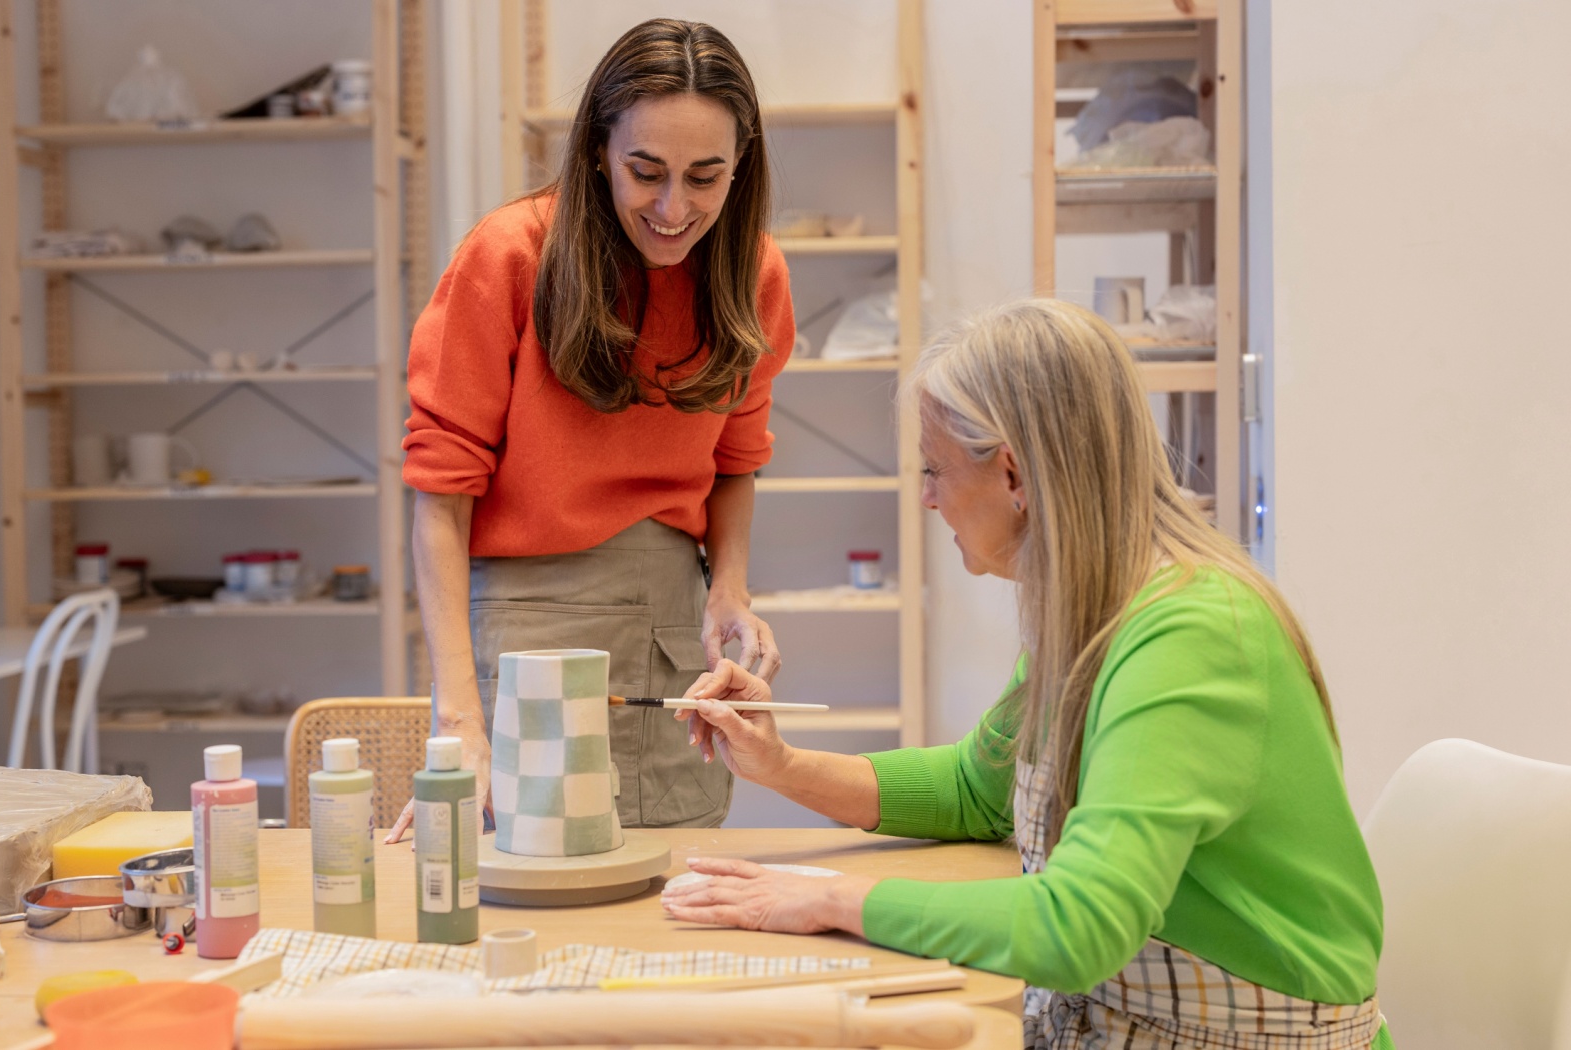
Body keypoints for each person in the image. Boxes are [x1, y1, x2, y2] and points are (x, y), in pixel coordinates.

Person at [661, 299, 1393, 1049]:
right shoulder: (1091, 604)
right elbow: (977, 793)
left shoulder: (1191, 634)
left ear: (1012, 472)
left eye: (934, 468)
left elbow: (1079, 928)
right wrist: (779, 765)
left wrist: (837, 901)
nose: (926, 496)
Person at [388, 18, 793, 843]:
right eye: (646, 172)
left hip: (672, 620)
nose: (675, 209)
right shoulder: (509, 255)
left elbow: (736, 461)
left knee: (673, 882)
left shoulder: (753, 268)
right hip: (527, 617)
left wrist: (729, 591)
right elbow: (440, 495)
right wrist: (459, 709)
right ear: (598, 151)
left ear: (740, 169)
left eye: (705, 178)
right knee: (533, 875)